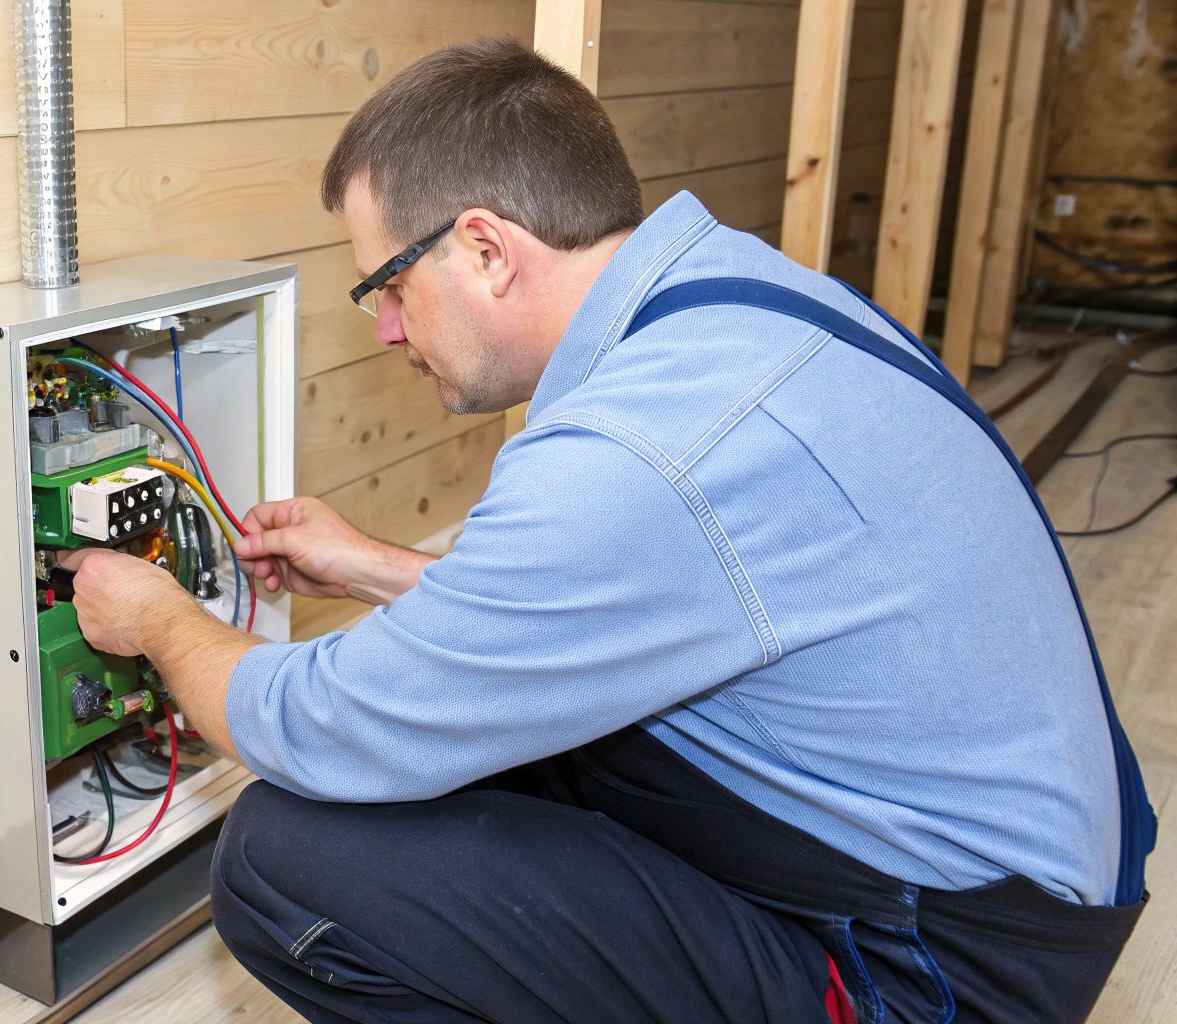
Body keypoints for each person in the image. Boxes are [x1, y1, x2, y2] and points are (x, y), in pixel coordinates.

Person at [55, 38, 1153, 1023]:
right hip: (1009, 881)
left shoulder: (637, 450)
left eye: (384, 285)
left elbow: (323, 727)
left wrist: (156, 621)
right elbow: (635, 605)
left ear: (484, 248)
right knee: (498, 747)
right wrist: (378, 567)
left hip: (936, 973)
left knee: (285, 858)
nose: (384, 328)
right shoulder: (725, 300)